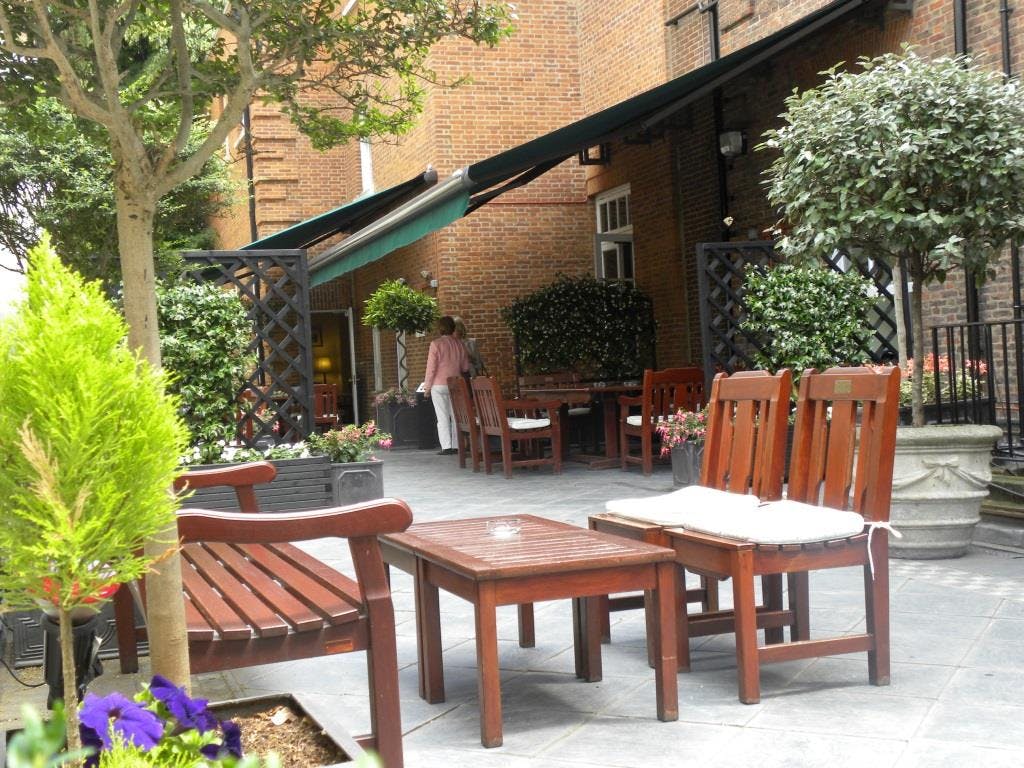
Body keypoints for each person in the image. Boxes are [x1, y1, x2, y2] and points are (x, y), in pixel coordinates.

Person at [423, 315, 469, 455]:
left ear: (439, 328)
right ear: (453, 328)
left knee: (442, 416)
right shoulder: (459, 344)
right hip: (455, 383)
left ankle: (446, 446)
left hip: (438, 385)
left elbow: (431, 368)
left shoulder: (435, 344)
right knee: (456, 416)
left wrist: (427, 388)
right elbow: (465, 367)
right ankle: (457, 445)